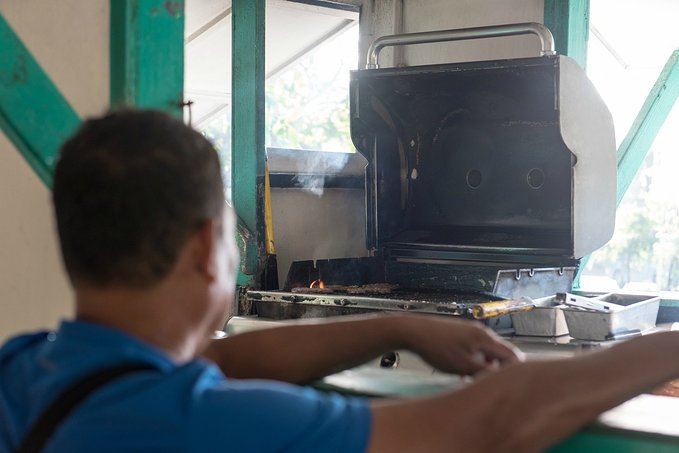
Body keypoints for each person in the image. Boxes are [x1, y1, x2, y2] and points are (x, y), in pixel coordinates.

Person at [1, 110, 679, 453]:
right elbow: (488, 422)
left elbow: (222, 357)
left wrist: (395, 325)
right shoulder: (201, 423)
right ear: (208, 247)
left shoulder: (26, 367)